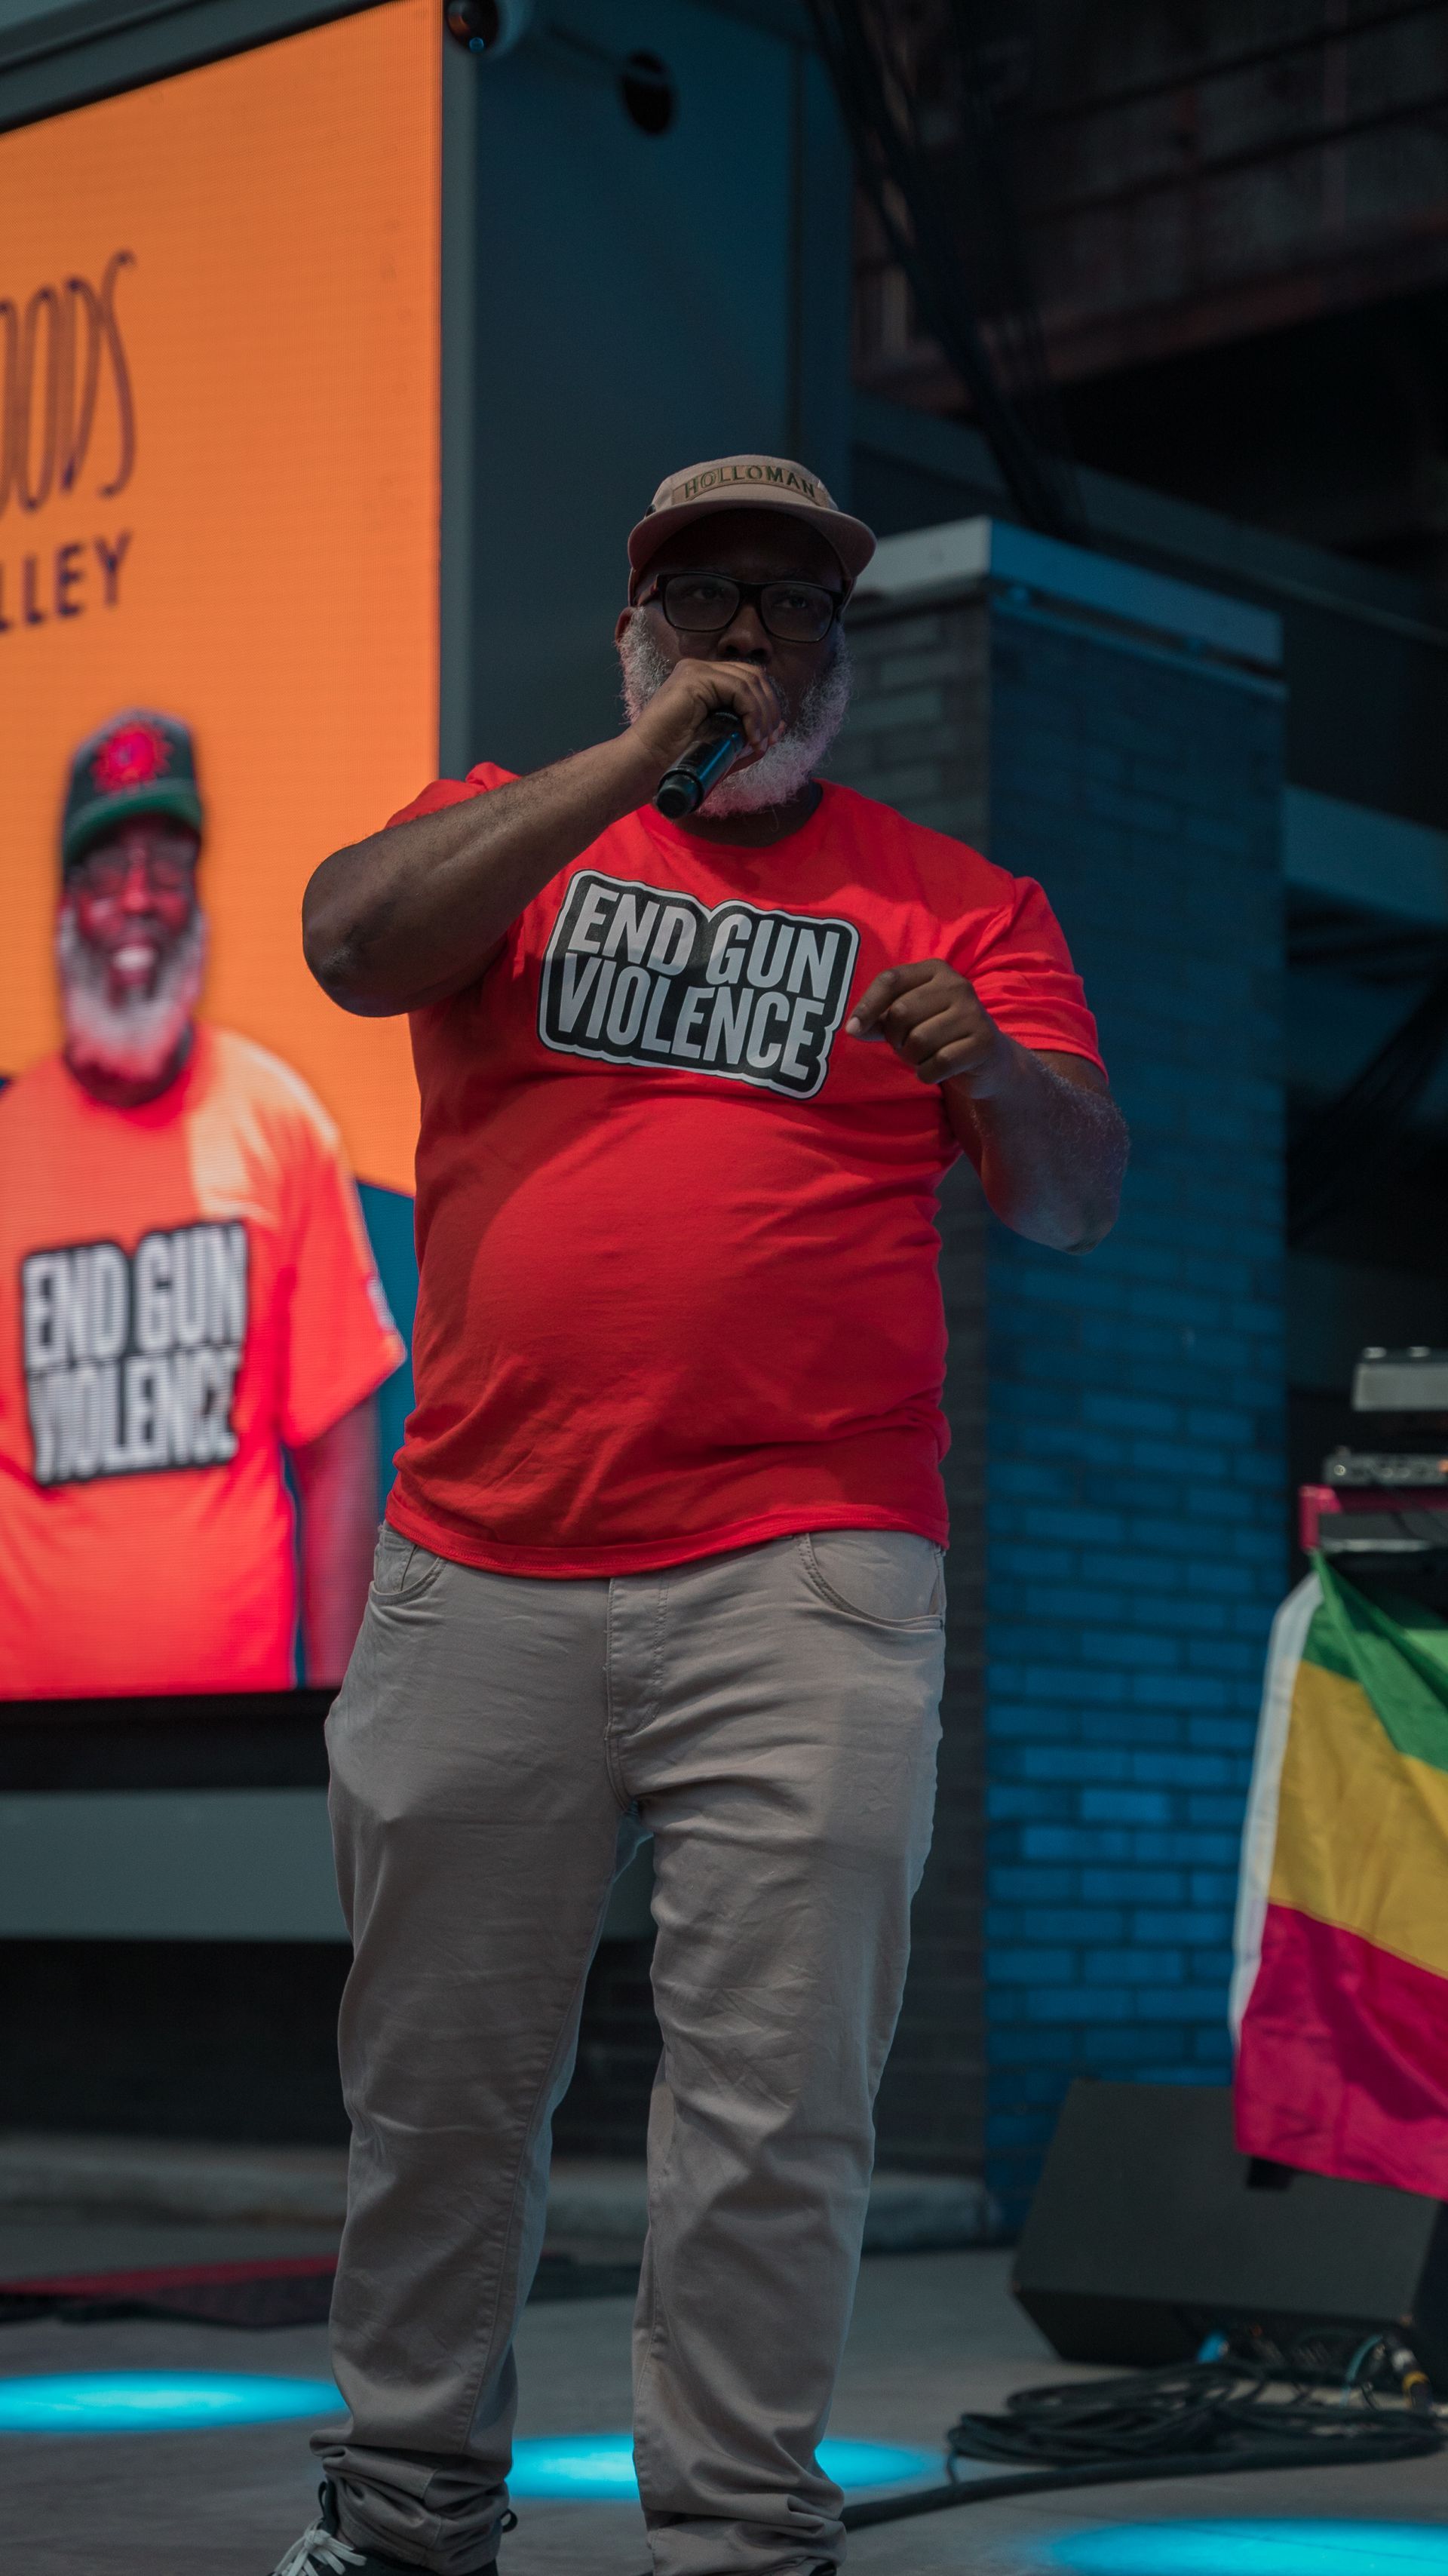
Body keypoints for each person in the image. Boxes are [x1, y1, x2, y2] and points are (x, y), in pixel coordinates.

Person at [278, 456, 1127, 2576]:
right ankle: (403, 2519)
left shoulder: (960, 904)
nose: (755, 630)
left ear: (845, 653)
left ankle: (741, 2538)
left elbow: (1076, 1195)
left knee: (774, 2107)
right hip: (484, 1557)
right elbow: (351, 941)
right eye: (707, 597)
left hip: (810, 1572)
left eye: (796, 602)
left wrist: (991, 1069)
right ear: (639, 632)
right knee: (439, 2095)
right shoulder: (508, 829)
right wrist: (641, 764)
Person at [0, 708, 403, 1698]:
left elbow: (339, 1455)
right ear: (65, 906)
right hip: (24, 1749)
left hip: (230, 1734)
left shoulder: (281, 1124)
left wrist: (332, 1719)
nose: (139, 900)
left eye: (167, 870)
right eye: (107, 872)